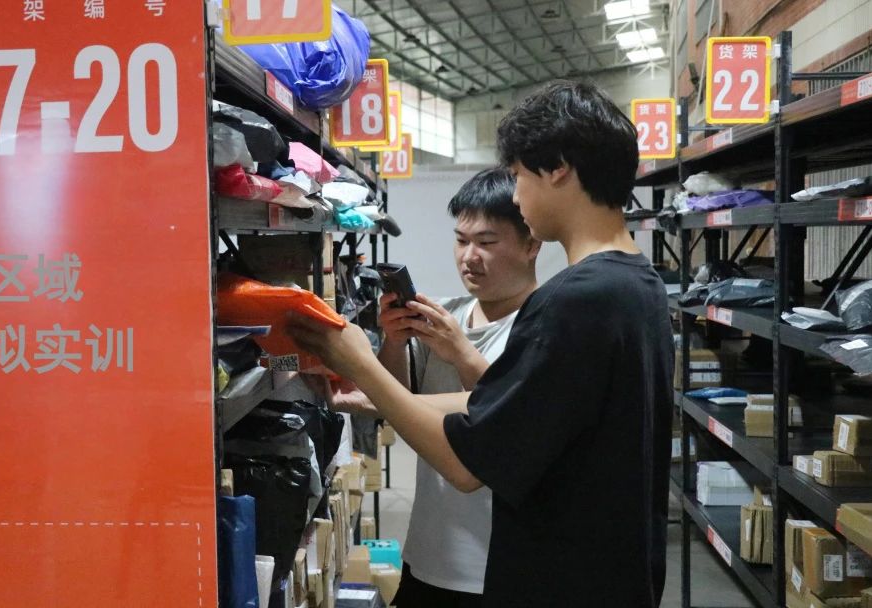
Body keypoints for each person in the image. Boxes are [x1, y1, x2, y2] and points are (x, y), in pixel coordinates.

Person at [288, 80, 673, 608]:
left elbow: (466, 465)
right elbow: (515, 406)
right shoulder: (637, 283)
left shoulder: (576, 300)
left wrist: (358, 361)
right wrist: (377, 391)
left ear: (558, 169)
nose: (515, 195)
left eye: (519, 176)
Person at [372, 168, 539, 608]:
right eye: (461, 240)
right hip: (428, 552)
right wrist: (394, 340)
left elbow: (510, 422)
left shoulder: (543, 328)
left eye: (486, 242)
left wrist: (461, 352)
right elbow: (397, 402)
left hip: (499, 567)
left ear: (532, 244)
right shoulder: (445, 316)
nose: (469, 257)